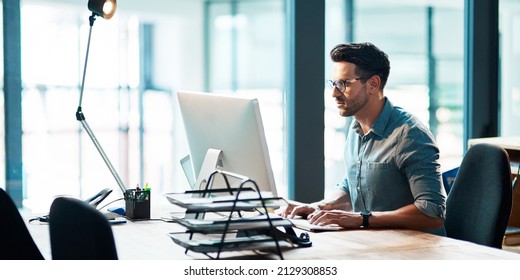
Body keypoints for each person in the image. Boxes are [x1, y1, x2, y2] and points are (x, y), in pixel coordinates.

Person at [283, 42, 446, 235]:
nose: (334, 93)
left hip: (414, 251)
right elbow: (353, 184)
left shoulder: (409, 135)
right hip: (375, 243)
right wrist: (322, 207)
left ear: (373, 84)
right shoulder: (355, 129)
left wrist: (362, 219)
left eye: (343, 84)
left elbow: (433, 213)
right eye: (334, 83)